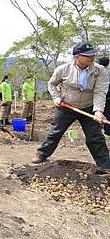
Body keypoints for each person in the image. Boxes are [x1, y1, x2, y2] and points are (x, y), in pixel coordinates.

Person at [32, 42, 110, 174]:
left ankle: (105, 165)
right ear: (77, 57)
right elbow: (52, 84)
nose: (93, 57)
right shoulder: (63, 69)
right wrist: (56, 97)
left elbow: (100, 91)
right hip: (66, 106)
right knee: (55, 132)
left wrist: (98, 110)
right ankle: (42, 154)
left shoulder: (99, 70)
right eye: (89, 55)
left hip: (89, 107)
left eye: (94, 54)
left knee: (95, 136)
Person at [97, 56, 110, 139]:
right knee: (107, 114)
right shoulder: (107, 72)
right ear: (108, 63)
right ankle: (107, 132)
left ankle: (103, 132)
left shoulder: (96, 72)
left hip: (97, 98)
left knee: (98, 114)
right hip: (107, 97)